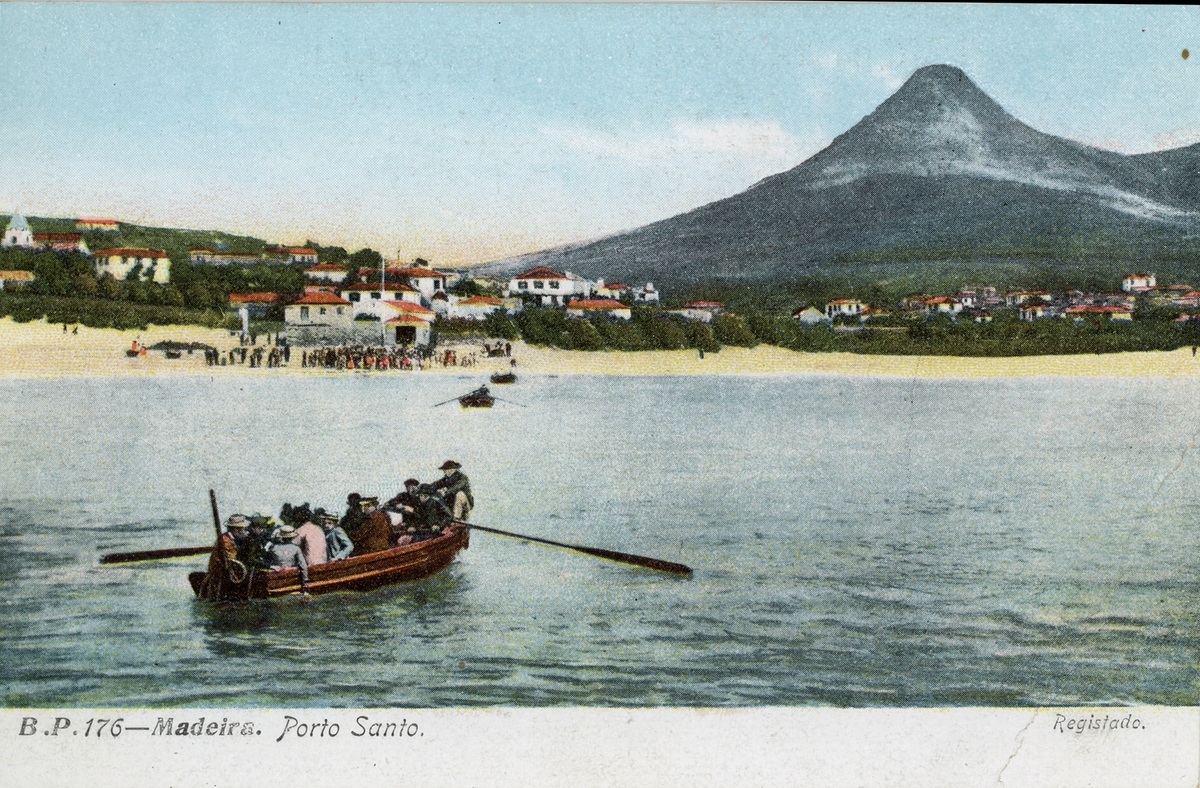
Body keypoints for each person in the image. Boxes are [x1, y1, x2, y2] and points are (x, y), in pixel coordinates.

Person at [266, 525, 309, 590]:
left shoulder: (273, 548)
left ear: (281, 537)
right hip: (292, 580)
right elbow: (303, 566)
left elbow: (267, 563)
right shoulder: (296, 548)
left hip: (276, 580)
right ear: (292, 537)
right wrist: (305, 581)